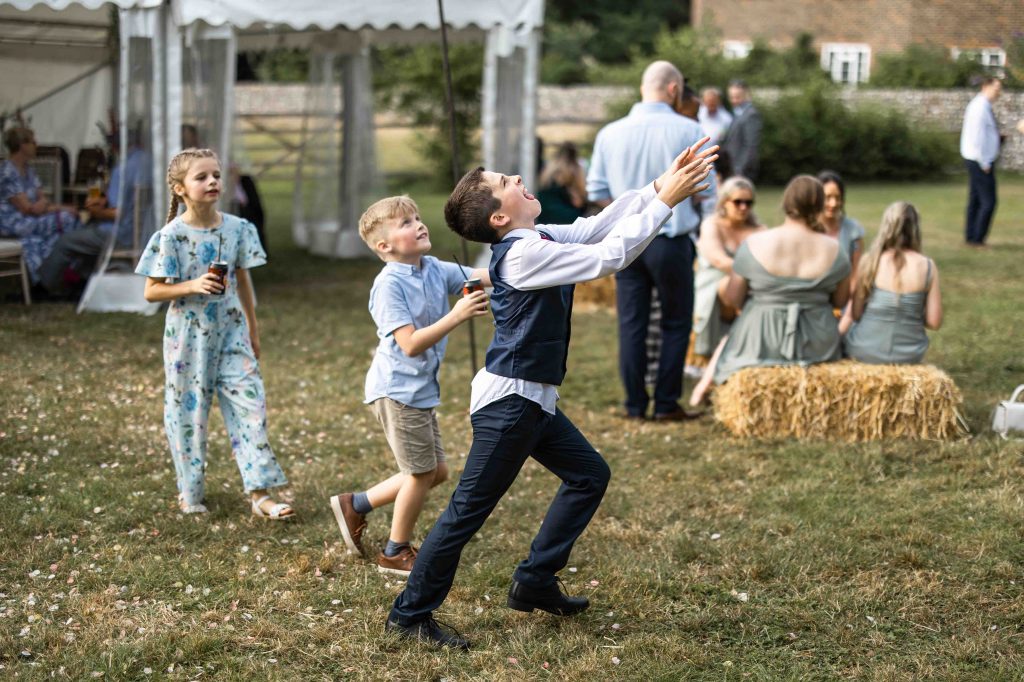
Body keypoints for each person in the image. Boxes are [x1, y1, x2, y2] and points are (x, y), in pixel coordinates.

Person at [386, 141, 716, 650]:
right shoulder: (524, 256)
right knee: (465, 513)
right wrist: (665, 202)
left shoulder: (536, 236)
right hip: (510, 405)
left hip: (531, 400)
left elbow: (593, 229)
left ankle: (535, 580)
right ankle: (409, 615)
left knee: (589, 475)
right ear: (499, 216)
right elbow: (609, 257)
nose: (517, 178)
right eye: (504, 182)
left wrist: (656, 186)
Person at [329, 195, 491, 577]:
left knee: (435, 472)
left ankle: (356, 504)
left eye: (417, 218)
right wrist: (457, 315)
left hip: (418, 391)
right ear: (384, 247)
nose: (418, 224)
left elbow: (483, 276)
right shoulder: (387, 287)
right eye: (405, 223)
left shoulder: (433, 268)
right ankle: (394, 551)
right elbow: (410, 343)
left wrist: (522, 263)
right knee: (419, 474)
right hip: (396, 390)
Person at [135, 148, 294, 519]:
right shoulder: (170, 237)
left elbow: (244, 281)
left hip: (233, 334)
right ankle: (190, 493)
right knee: (188, 414)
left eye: (216, 175)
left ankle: (260, 494)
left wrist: (253, 330)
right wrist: (191, 285)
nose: (212, 183)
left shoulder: (239, 229)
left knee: (251, 408)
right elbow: (152, 291)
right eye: (202, 177)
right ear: (180, 188)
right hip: (187, 339)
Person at [587, 60, 716, 421]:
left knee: (632, 322)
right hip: (670, 239)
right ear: (674, 89)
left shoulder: (609, 134)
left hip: (624, 242)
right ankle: (665, 403)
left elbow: (596, 190)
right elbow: (709, 192)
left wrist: (625, 215)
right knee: (675, 321)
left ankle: (634, 405)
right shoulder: (690, 129)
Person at [713, 175, 851, 384]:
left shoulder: (754, 244)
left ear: (786, 203)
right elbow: (840, 302)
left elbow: (733, 299)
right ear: (819, 206)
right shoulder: (835, 250)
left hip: (760, 340)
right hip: (817, 343)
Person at [37, 131, 151, 296]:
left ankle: (44, 288)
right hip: (139, 231)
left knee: (66, 241)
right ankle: (82, 282)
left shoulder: (123, 168)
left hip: (119, 234)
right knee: (84, 236)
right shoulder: (148, 162)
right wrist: (105, 203)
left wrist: (96, 211)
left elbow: (118, 213)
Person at [686, 177, 765, 406]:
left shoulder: (758, 229)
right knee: (733, 286)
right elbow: (719, 260)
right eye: (738, 202)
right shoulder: (712, 225)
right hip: (715, 283)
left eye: (749, 203)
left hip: (749, 285)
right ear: (724, 202)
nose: (743, 207)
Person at [843, 202, 942, 364]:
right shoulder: (928, 266)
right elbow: (934, 321)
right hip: (908, 355)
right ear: (915, 229)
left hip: (864, 350)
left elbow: (856, 314)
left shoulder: (870, 262)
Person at [0, 127, 80, 285]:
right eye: (33, 142)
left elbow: (43, 203)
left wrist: (62, 208)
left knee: (67, 220)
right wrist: (54, 208)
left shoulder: (29, 170)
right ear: (22, 145)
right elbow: (29, 208)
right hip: (13, 222)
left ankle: (52, 275)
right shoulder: (7, 172)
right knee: (66, 220)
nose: (36, 145)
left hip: (30, 220)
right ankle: (65, 272)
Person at [817, 170, 864, 333]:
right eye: (828, 197)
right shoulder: (807, 230)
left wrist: (843, 310)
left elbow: (855, 276)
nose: (833, 203)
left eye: (838, 198)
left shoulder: (853, 230)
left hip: (845, 303)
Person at [960, 76, 1003, 247]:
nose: (998, 92)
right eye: (996, 88)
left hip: (976, 158)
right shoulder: (979, 107)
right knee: (988, 201)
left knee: (976, 199)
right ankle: (978, 238)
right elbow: (976, 136)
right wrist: (984, 162)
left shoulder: (983, 106)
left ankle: (971, 236)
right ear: (986, 86)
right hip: (979, 160)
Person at [535, 142, 587, 225]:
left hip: (542, 216)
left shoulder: (548, 170)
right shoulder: (573, 170)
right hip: (566, 219)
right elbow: (578, 202)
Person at [722, 80, 762, 181]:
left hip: (741, 169)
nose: (734, 100)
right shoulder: (737, 112)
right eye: (731, 97)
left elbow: (751, 145)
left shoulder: (751, 115)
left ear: (746, 95)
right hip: (731, 166)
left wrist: (739, 169)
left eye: (737, 97)